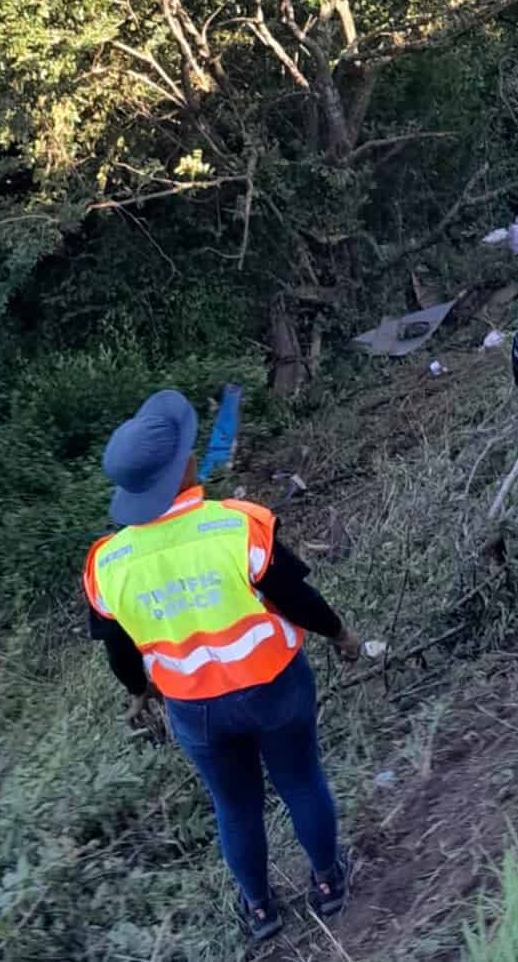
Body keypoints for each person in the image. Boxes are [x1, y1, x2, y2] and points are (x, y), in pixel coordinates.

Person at [84, 390, 361, 942]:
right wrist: (340, 635)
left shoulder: (107, 564)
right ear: (183, 467)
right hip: (275, 688)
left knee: (234, 807)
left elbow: (118, 650)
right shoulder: (237, 525)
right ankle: (328, 884)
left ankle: (260, 910)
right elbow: (294, 597)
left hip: (195, 709)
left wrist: (140, 691)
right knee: (301, 782)